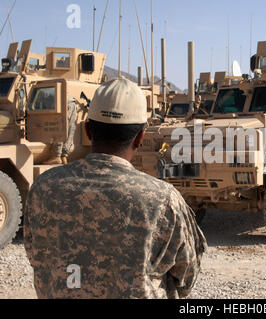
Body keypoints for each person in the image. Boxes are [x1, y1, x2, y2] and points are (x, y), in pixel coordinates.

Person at [24, 78, 207, 299]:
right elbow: (186, 278)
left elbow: (35, 255)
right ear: (140, 137)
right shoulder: (163, 200)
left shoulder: (43, 188)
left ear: (88, 130)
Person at [44, 95, 77, 165]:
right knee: (69, 128)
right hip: (71, 101)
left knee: (60, 126)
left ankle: (56, 156)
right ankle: (63, 156)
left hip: (62, 100)